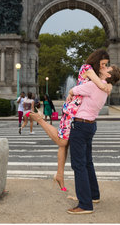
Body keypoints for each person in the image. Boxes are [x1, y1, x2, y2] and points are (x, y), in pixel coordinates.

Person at [39, 64, 120, 214]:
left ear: (108, 75)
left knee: (79, 165)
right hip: (90, 125)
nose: (103, 67)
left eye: (106, 68)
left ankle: (85, 204)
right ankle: (93, 195)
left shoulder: (93, 86)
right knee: (87, 162)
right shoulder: (105, 88)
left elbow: (72, 90)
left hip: (80, 125)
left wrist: (72, 91)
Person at [33, 49, 113, 192]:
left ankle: (59, 174)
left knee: (65, 143)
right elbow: (100, 85)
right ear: (96, 60)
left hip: (76, 108)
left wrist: (108, 83)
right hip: (72, 109)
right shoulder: (87, 68)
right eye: (103, 63)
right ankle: (39, 119)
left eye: (106, 65)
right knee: (63, 141)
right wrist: (108, 85)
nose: (103, 67)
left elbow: (95, 85)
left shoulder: (92, 71)